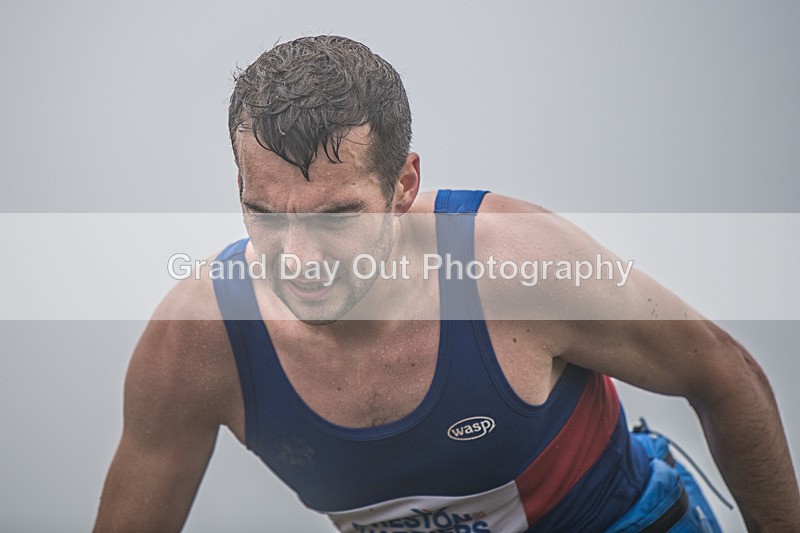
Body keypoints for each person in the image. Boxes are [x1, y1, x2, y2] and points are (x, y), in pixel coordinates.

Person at [93, 35, 800, 532]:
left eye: (337, 218)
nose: (298, 257)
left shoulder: (515, 265)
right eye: (265, 215)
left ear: (403, 185)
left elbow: (726, 375)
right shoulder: (196, 344)